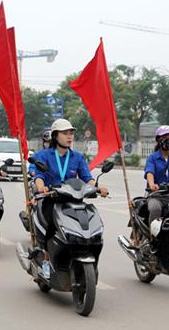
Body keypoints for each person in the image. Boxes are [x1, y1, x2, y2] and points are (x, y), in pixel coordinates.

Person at [33, 119, 109, 278]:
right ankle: (46, 260)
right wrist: (41, 186)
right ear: (55, 136)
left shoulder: (77, 157)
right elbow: (39, 176)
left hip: (74, 200)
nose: (69, 137)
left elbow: (87, 177)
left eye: (71, 133)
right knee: (51, 226)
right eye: (65, 133)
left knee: (90, 223)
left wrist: (97, 187)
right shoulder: (43, 155)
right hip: (52, 200)